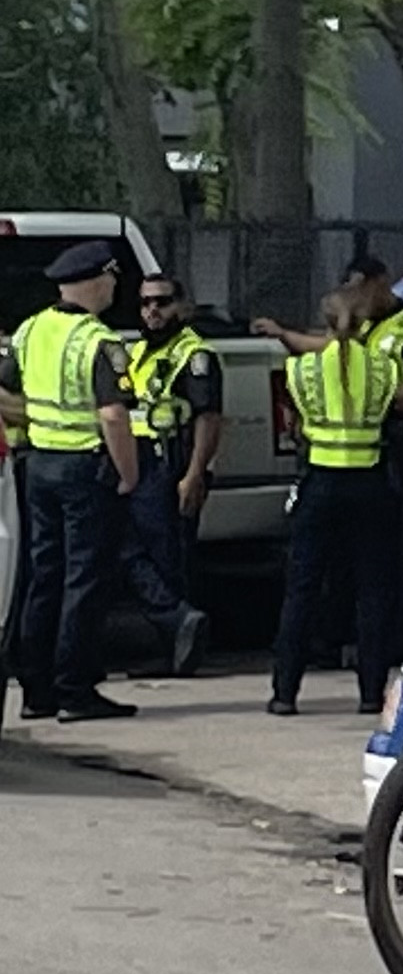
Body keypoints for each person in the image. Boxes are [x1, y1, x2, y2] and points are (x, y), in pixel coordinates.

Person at [256, 252, 403, 650]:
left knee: (392, 556)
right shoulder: (361, 330)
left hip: (398, 454)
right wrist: (282, 334)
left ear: (381, 282)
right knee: (346, 561)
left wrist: (373, 403)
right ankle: (344, 639)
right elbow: (326, 349)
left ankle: (393, 641)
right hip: (354, 461)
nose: (355, 299)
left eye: (361, 290)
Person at [0, 240, 144, 721]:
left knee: (44, 577)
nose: (114, 288)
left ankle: (37, 691)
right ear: (96, 281)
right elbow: (113, 416)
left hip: (39, 467)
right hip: (85, 469)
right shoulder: (99, 341)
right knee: (85, 580)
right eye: (111, 279)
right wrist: (128, 474)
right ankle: (75, 690)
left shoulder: (29, 330)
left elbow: (5, 387)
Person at [269, 287, 402, 718]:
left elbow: (296, 422)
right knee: (373, 592)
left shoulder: (301, 369)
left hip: (320, 482)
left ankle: (285, 692)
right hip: (369, 482)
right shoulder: (384, 368)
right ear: (365, 324)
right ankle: (369, 693)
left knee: (302, 590)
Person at [122, 273, 215, 676]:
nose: (152, 310)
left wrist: (194, 474)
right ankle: (175, 634)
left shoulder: (194, 355)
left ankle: (178, 648)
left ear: (182, 305)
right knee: (134, 551)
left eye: (161, 301)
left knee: (168, 558)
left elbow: (209, 418)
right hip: (140, 462)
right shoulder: (139, 351)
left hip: (171, 462)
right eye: (145, 303)